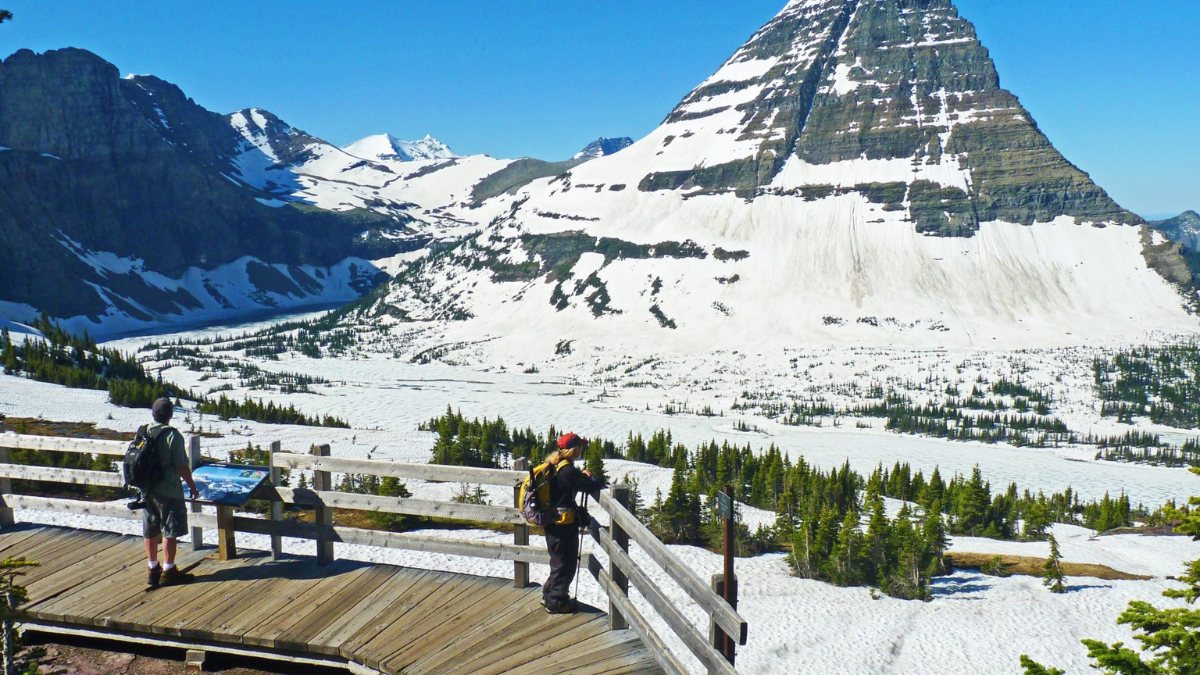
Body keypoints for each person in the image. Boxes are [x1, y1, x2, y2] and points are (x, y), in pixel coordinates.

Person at [541, 432, 605, 614]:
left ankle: (549, 594)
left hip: (552, 521)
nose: (582, 450)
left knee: (558, 559)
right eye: (580, 447)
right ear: (573, 450)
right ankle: (556, 602)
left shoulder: (554, 465)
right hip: (563, 524)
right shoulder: (568, 471)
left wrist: (581, 476)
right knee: (565, 562)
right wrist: (595, 480)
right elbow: (591, 486)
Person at [142, 397, 199, 588]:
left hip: (147, 488)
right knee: (169, 529)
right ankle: (168, 569)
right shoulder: (173, 436)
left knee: (150, 529)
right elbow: (182, 465)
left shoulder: (144, 431)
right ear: (170, 415)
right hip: (168, 489)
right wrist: (191, 485)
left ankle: (152, 568)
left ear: (153, 413)